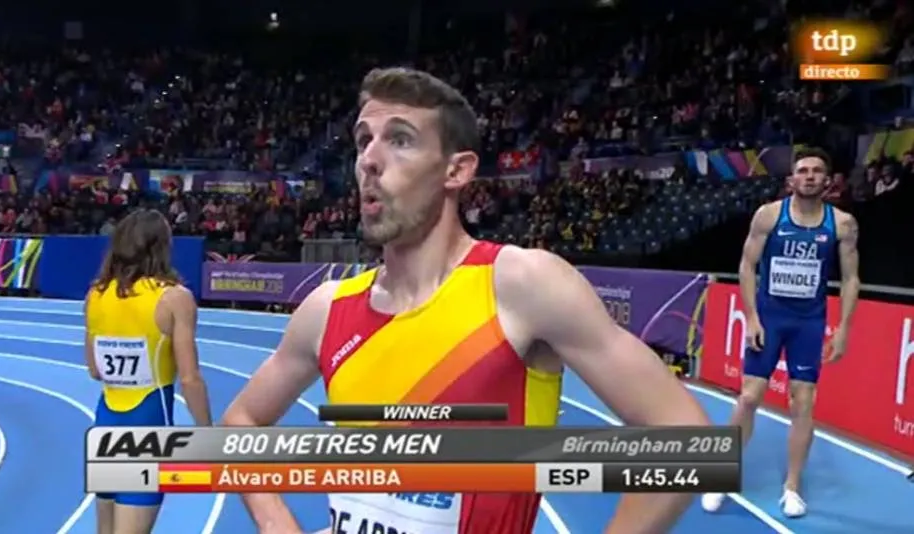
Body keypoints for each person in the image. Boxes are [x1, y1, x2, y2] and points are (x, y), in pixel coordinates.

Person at [222, 67, 710, 534]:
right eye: (363, 140)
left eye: (400, 139)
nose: (369, 159)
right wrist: (277, 524)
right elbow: (240, 420)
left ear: (456, 170)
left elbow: (685, 435)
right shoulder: (327, 310)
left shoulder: (520, 286)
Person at [701, 148, 860, 518]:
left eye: (816, 171)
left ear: (827, 180)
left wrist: (844, 328)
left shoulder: (842, 224)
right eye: (802, 170)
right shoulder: (769, 215)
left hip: (808, 323)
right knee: (749, 398)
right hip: (770, 319)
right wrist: (751, 317)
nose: (809, 176)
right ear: (791, 179)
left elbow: (851, 278)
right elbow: (747, 265)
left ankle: (792, 487)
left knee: (803, 403)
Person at [85, 209, 212, 534]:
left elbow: (95, 370)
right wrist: (207, 433)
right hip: (148, 427)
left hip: (106, 425)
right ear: (162, 247)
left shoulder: (96, 294)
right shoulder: (174, 299)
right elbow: (190, 379)